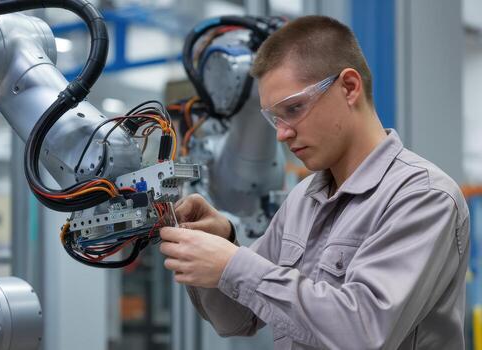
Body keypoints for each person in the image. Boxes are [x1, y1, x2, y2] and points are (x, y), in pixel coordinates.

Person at [159, 15, 470, 349]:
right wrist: (218, 244)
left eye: (293, 108)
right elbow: (235, 319)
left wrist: (234, 264)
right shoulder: (303, 199)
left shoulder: (423, 197)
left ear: (349, 87)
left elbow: (363, 334)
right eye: (274, 118)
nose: (282, 133)